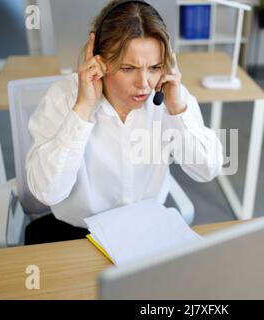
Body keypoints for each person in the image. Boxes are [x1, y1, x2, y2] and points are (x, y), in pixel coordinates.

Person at [25, 0, 223, 245]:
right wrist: (83, 109)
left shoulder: (169, 96)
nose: (144, 83)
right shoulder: (63, 98)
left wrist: (177, 111)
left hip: (145, 229)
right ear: (100, 60)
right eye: (128, 68)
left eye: (154, 67)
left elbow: (207, 169)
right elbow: (47, 191)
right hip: (79, 235)